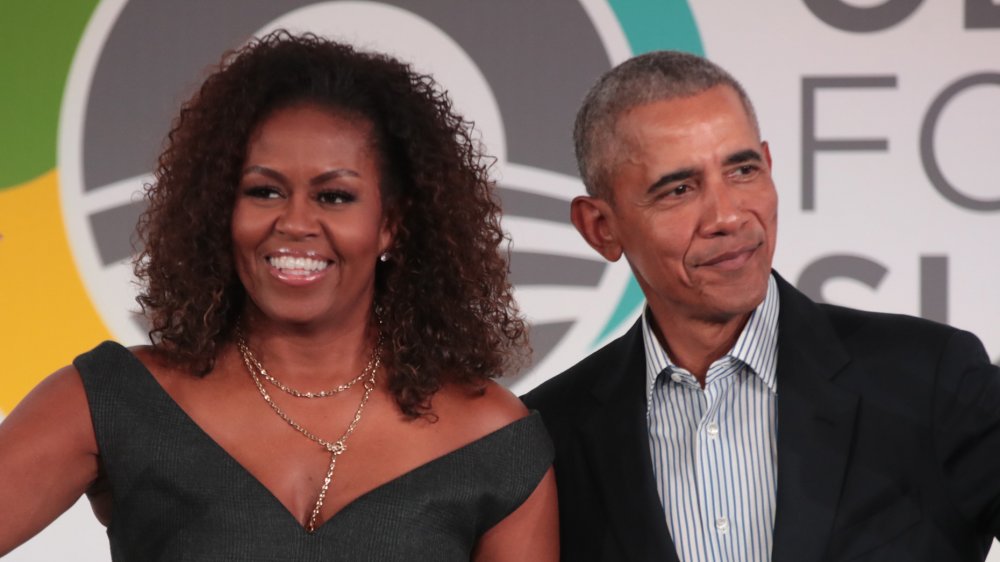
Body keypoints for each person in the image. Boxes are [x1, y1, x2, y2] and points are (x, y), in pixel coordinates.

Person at [0, 32, 557, 560]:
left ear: (391, 224)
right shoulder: (110, 402)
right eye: (263, 191)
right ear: (222, 208)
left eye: (334, 196)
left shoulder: (492, 440)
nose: (295, 222)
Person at [522, 50, 1000, 562]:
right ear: (600, 227)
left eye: (743, 170)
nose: (727, 215)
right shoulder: (546, 438)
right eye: (679, 189)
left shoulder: (932, 380)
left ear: (769, 167)